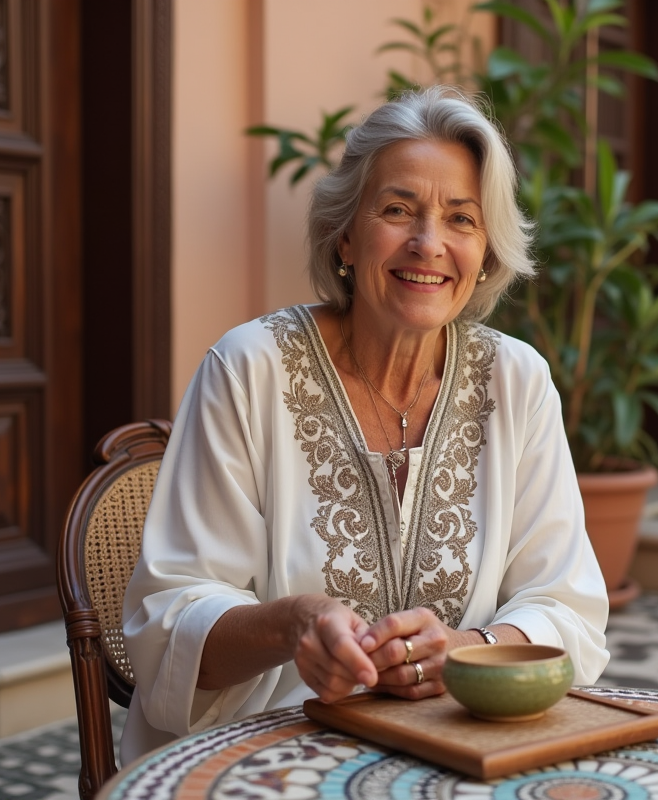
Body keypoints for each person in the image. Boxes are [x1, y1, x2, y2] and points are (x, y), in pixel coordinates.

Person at [121, 86, 609, 762]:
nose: (428, 243)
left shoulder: (516, 381)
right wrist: (294, 624)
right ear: (346, 235)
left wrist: (466, 652)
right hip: (265, 760)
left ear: (486, 250)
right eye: (398, 209)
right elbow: (168, 623)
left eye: (461, 219)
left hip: (460, 753)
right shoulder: (248, 368)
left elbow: (567, 608)